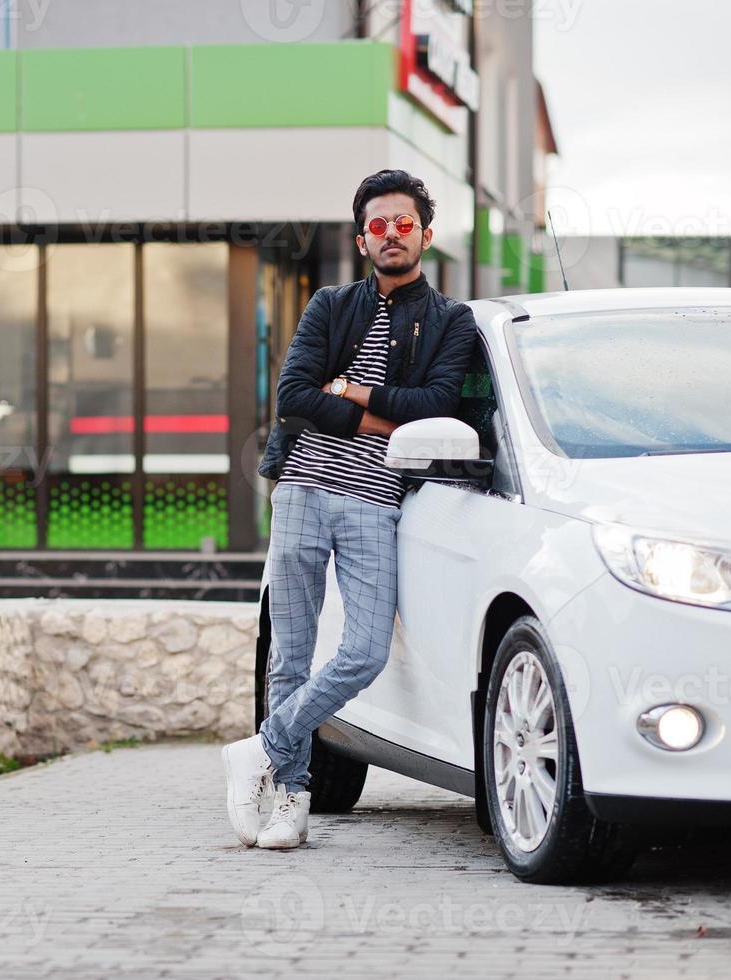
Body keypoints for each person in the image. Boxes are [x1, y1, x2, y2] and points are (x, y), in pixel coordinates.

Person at [223, 169, 478, 849]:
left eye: (403, 224)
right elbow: (293, 396)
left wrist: (351, 391)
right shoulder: (329, 304)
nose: (390, 235)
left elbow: (436, 407)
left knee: (363, 651)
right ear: (360, 237)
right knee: (290, 657)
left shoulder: (451, 321)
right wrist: (377, 414)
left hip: (373, 503)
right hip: (301, 491)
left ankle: (260, 748)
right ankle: (291, 799)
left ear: (424, 233)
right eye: (377, 225)